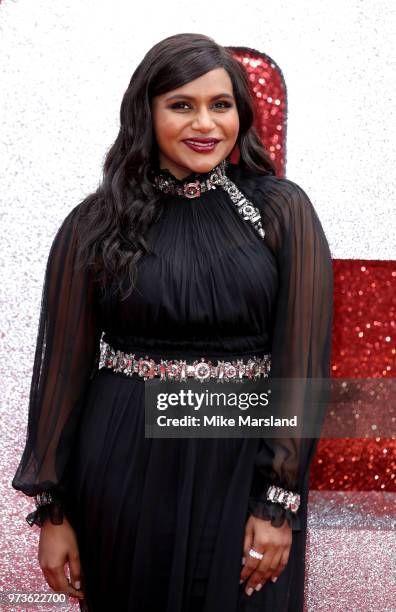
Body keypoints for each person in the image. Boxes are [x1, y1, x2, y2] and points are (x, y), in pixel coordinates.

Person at [12, 32, 333, 612]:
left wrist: (277, 502)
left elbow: (302, 364)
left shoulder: (280, 211)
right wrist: (54, 514)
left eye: (221, 105)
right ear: (146, 112)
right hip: (123, 462)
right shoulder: (95, 224)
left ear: (242, 113)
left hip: (242, 466)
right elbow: (61, 374)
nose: (204, 124)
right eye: (181, 105)